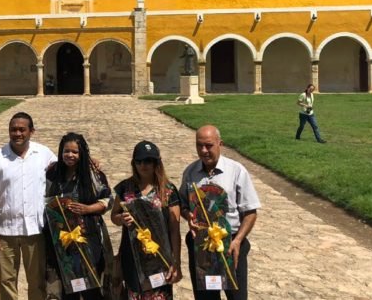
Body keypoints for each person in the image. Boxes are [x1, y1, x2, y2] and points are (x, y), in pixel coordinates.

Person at [0, 112, 57, 300]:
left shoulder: (43, 154)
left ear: (31, 131)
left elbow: (68, 167)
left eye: (22, 129)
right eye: (13, 129)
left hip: (35, 230)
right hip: (5, 231)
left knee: (37, 282)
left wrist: (90, 162)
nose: (18, 133)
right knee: (7, 282)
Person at [180, 126, 260, 300]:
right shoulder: (190, 173)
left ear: (220, 144)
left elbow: (251, 211)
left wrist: (238, 241)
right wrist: (189, 216)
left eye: (208, 145)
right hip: (201, 247)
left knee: (237, 296)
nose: (203, 151)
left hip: (230, 245)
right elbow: (183, 205)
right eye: (199, 145)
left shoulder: (237, 171)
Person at [44, 133, 113, 300]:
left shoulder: (93, 174)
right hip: (60, 238)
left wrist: (88, 209)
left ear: (82, 154)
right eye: (66, 151)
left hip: (88, 235)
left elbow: (107, 200)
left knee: (93, 283)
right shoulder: (53, 172)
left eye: (75, 152)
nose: (70, 155)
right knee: (67, 284)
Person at [111, 141, 182, 300]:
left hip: (159, 257)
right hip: (132, 256)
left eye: (148, 161)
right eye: (139, 161)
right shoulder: (124, 188)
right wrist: (121, 219)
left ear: (157, 162)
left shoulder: (168, 191)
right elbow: (114, 215)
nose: (143, 165)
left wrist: (175, 261)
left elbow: (174, 230)